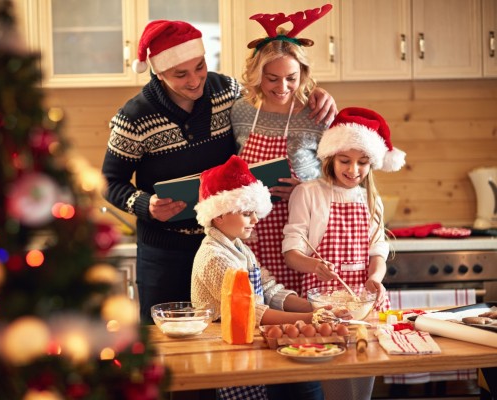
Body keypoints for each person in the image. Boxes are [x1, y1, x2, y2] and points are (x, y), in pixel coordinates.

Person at [101, 19, 337, 323]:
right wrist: (146, 205)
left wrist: (315, 92)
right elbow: (108, 182)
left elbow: (273, 96)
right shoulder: (133, 117)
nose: (195, 80)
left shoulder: (226, 91)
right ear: (158, 72)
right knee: (168, 342)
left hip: (229, 246)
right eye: (180, 74)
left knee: (231, 333)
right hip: (167, 253)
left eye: (200, 66)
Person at [282, 107, 407, 400]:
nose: (353, 170)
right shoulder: (309, 193)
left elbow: (378, 250)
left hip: (365, 300)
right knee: (335, 377)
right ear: (330, 158)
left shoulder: (371, 199)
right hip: (325, 304)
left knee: (363, 372)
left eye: (363, 163)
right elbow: (291, 252)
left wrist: (376, 277)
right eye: (345, 161)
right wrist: (313, 265)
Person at [191, 154, 331, 400]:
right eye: (247, 213)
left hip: (250, 338)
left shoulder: (240, 248)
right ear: (219, 215)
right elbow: (249, 312)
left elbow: (269, 290)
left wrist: (318, 307)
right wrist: (311, 318)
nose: (256, 220)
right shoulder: (214, 256)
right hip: (225, 348)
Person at [232, 4, 335, 296]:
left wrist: (307, 190)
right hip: (253, 232)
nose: (283, 87)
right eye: (272, 78)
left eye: (291, 77)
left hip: (301, 230)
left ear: (303, 73)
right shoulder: (239, 111)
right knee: (261, 305)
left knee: (303, 310)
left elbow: (341, 180)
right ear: (257, 75)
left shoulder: (317, 114)